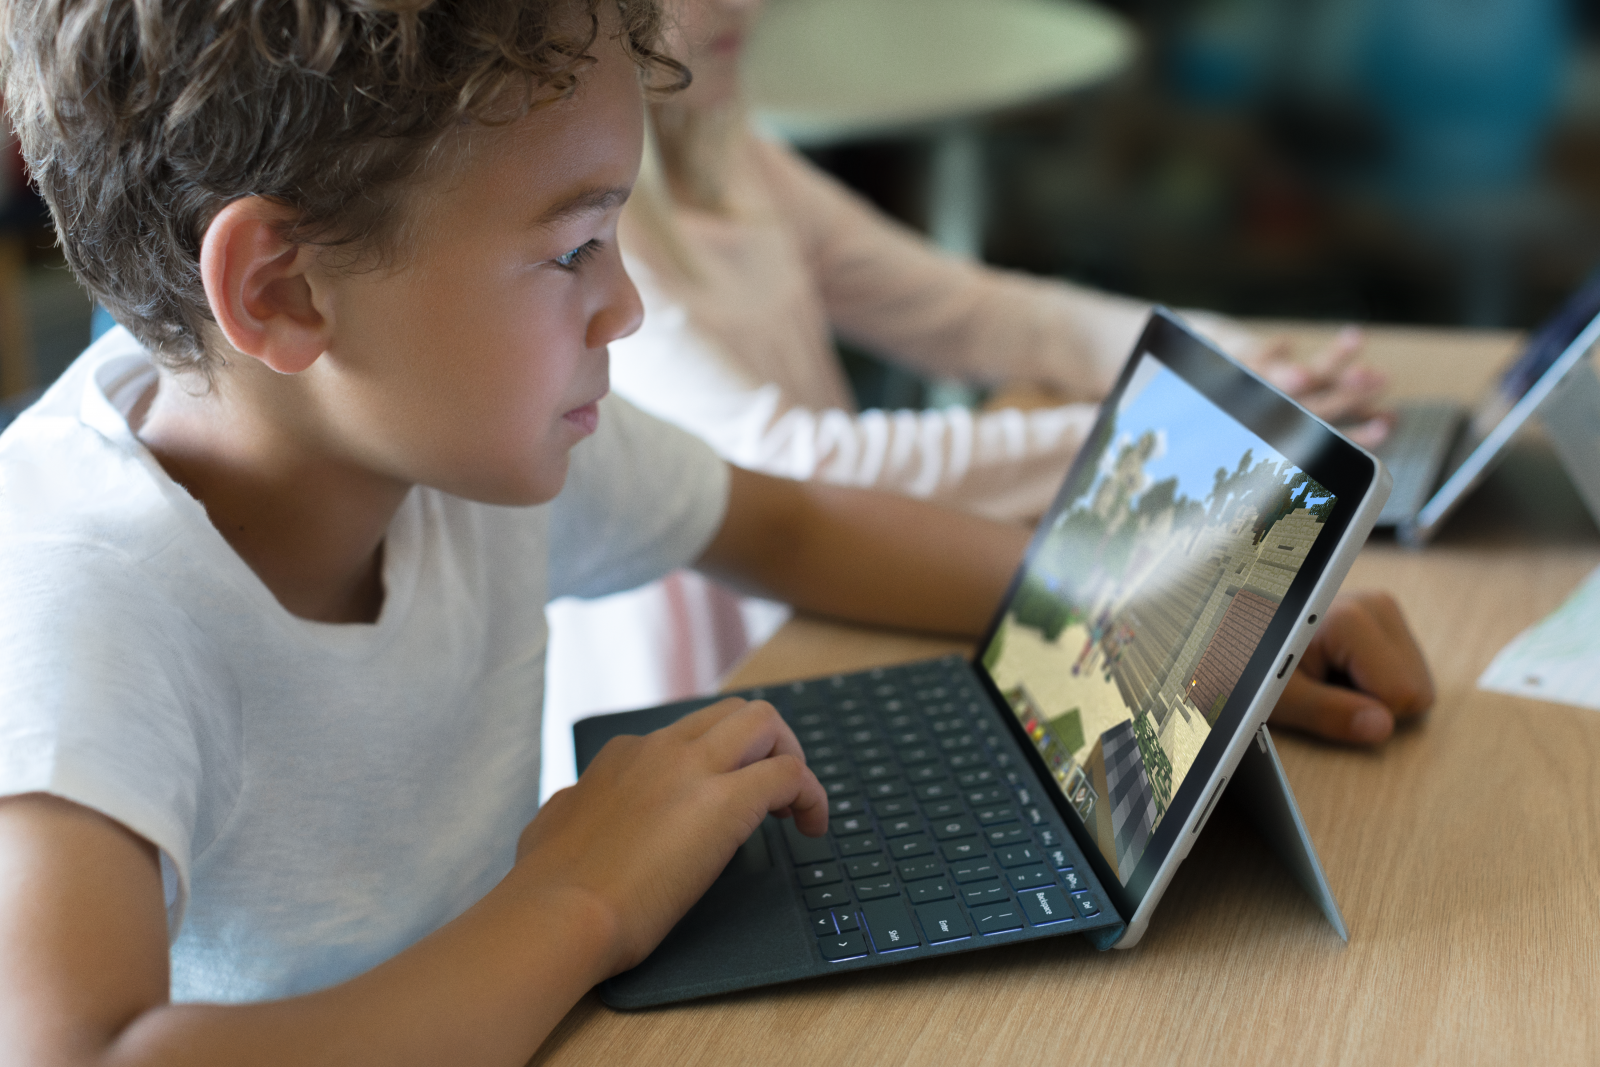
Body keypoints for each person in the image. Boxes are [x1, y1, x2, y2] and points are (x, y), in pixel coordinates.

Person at [0, 1, 1431, 1063]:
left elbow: (791, 523)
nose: (622, 307)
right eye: (573, 247)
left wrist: (1165, 606)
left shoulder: (440, 443)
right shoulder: (78, 587)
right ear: (288, 294)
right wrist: (575, 899)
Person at [542, 0, 1394, 751]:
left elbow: (979, 312)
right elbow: (790, 466)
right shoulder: (608, 229)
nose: (743, 5)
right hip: (708, 665)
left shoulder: (738, 163)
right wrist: (1170, 434)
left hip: (834, 587)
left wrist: (1225, 363)